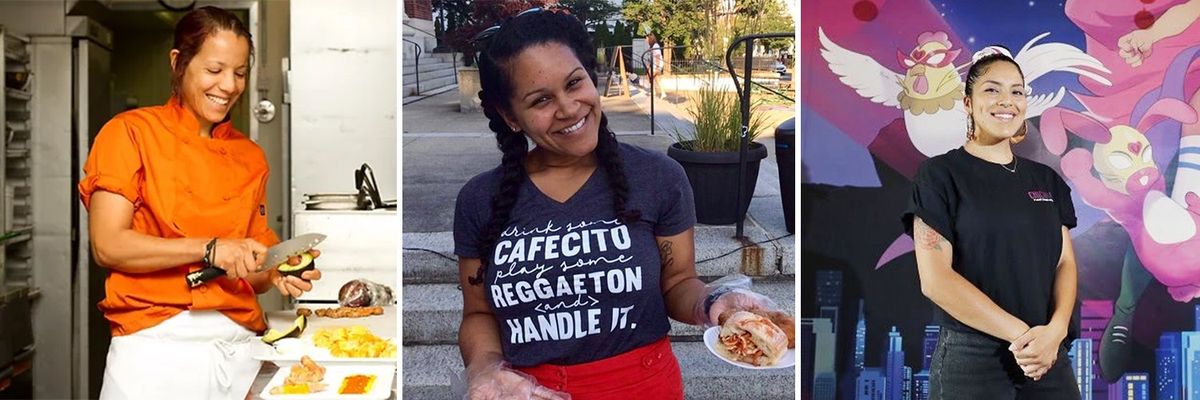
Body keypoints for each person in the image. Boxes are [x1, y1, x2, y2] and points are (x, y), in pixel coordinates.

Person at [453, 9, 784, 399]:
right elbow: (478, 314)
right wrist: (486, 369)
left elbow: (677, 283)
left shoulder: (658, 178)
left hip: (641, 387)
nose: (569, 108)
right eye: (541, 99)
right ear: (511, 116)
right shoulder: (480, 200)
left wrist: (715, 302)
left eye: (574, 83)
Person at [79, 7, 321, 400]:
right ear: (179, 63)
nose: (228, 85)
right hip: (153, 351)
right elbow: (108, 245)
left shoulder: (249, 155)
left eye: (239, 73)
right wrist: (210, 248)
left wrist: (277, 273)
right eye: (214, 70)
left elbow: (254, 271)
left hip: (240, 349)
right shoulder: (129, 133)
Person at [902, 49, 1081, 399]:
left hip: (1047, 353)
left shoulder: (1047, 180)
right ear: (968, 103)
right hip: (973, 359)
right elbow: (935, 279)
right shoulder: (938, 176)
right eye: (992, 90)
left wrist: (1056, 331)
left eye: (1017, 91)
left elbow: (1065, 262)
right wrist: (1021, 336)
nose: (1007, 101)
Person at [647, 33, 666, 99]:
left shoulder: (656, 46)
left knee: (652, 77)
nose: (645, 40)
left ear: (650, 39)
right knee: (654, 78)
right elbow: (650, 58)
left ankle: (658, 92)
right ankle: (658, 92)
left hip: (657, 64)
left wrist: (657, 67)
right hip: (654, 64)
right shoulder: (651, 47)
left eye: (646, 38)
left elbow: (657, 56)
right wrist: (648, 65)